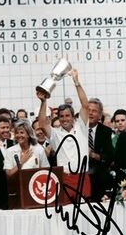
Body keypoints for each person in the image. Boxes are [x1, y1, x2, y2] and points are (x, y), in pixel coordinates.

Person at [37, 68, 91, 203]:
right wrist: (43, 102)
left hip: (82, 177)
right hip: (65, 177)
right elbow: (42, 124)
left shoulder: (81, 127)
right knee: (66, 215)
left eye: (67, 116)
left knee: (84, 214)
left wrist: (76, 82)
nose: (64, 119)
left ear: (73, 117)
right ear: (58, 118)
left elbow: (85, 105)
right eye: (61, 116)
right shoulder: (55, 134)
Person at [87, 98, 115, 201]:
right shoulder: (77, 130)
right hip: (81, 177)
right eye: (88, 110)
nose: (90, 113)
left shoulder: (105, 131)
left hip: (100, 179)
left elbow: (110, 157)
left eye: (94, 111)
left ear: (100, 115)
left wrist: (94, 155)